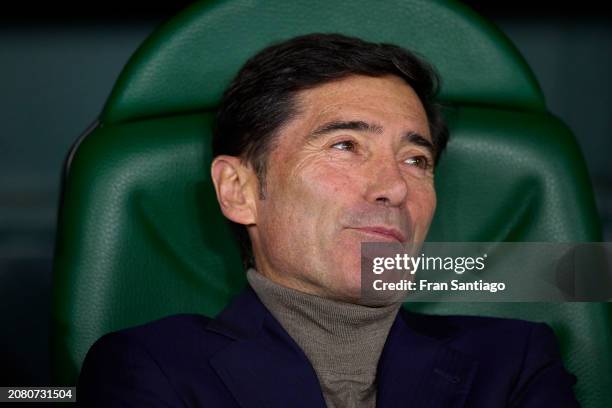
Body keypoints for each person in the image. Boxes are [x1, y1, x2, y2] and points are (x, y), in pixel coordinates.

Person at [77, 33, 579, 407]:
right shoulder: (150, 368)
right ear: (240, 191)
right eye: (345, 145)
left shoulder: (515, 362)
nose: (395, 186)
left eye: (416, 160)